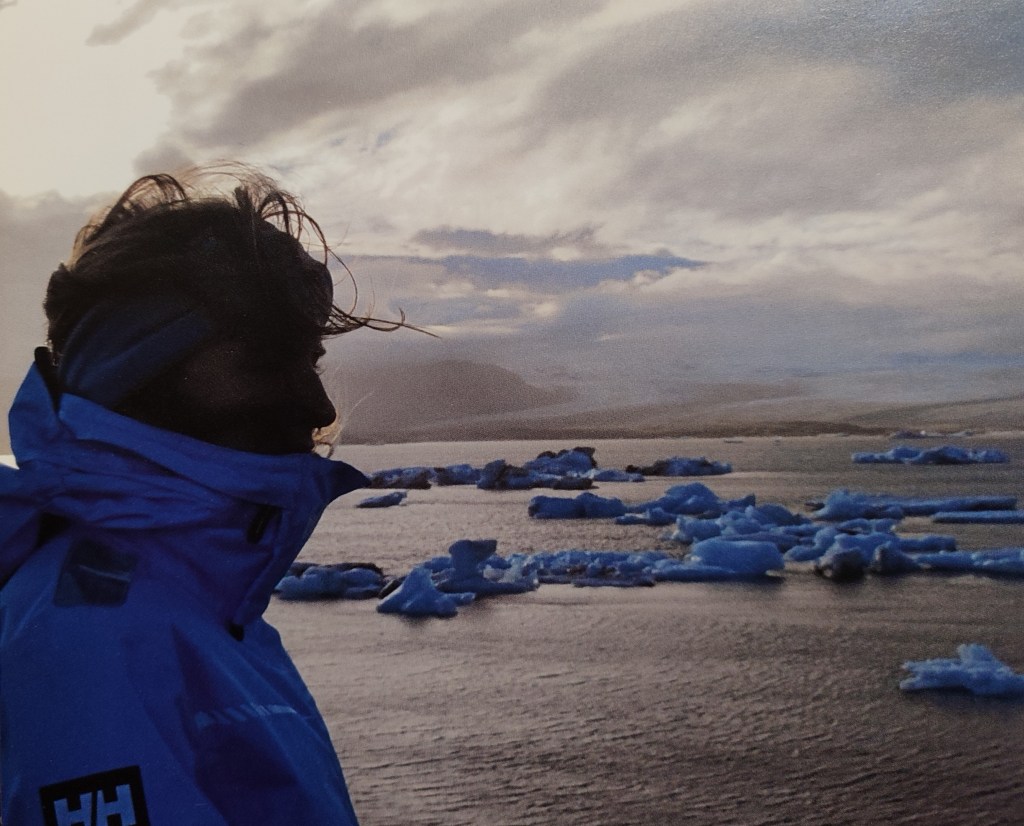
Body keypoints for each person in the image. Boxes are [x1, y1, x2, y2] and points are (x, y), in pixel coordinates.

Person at [0, 166, 396, 824]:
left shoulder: (200, 601)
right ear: (137, 376)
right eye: (267, 360)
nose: (317, 402)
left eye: (310, 361)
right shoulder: (90, 634)